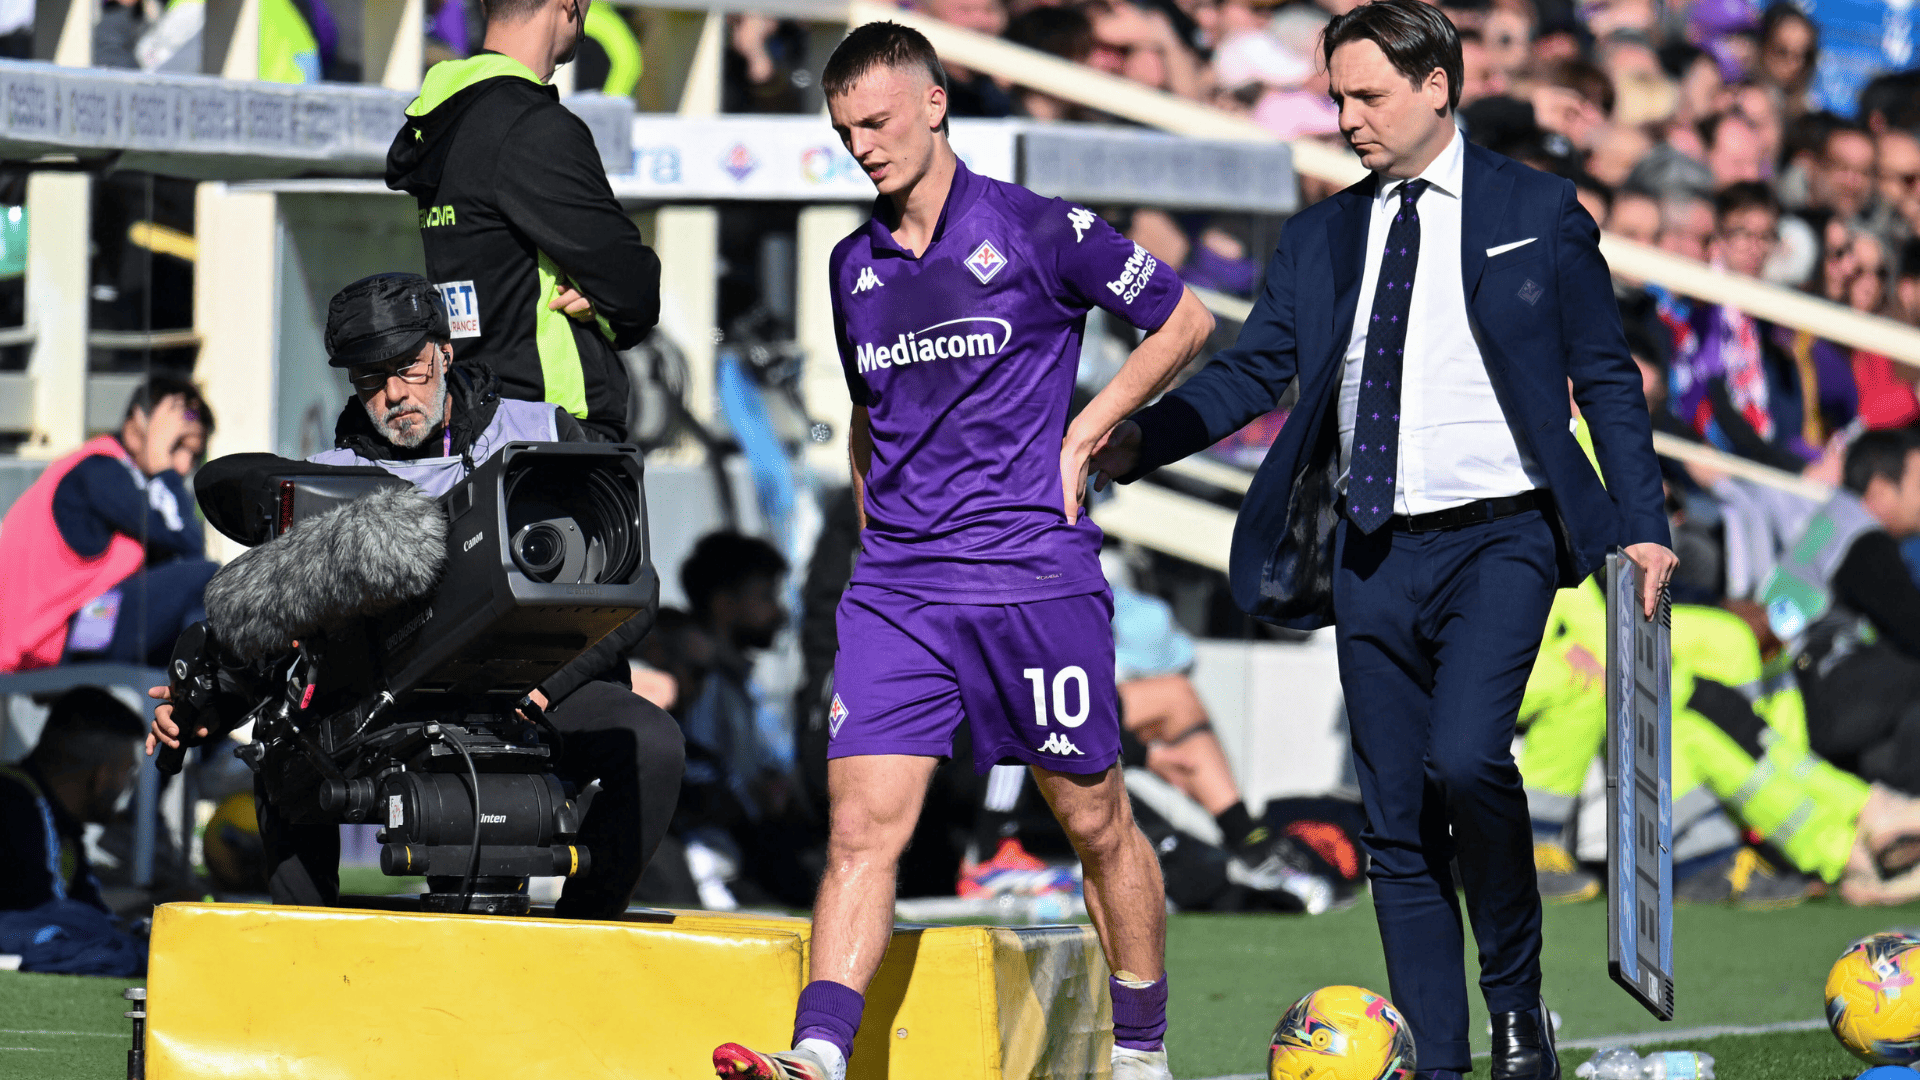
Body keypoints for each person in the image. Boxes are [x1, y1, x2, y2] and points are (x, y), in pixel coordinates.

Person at [1090, 3, 1674, 1078]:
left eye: (1368, 95)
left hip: (1503, 537)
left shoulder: (1538, 209)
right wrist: (1134, 442)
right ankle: (1439, 1061)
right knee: (1397, 823)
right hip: (1368, 552)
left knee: (1468, 759)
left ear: (1437, 86)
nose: (1347, 117)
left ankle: (1518, 1006)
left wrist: (1642, 528)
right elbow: (1251, 372)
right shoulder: (1319, 236)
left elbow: (1605, 376)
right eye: (1337, 97)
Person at [710, 22, 1214, 1080]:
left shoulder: (1040, 229)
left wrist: (1090, 432)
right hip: (898, 593)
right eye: (845, 132)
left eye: (878, 122)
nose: (863, 147)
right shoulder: (852, 264)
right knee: (860, 830)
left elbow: (1184, 321)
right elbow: (869, 416)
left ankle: (1142, 1056)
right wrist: (875, 540)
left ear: (935, 104)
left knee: (1094, 822)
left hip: (1033, 580)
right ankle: (819, 1052)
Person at [146, 273, 683, 919]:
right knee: (286, 755)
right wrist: (207, 704)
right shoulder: (328, 481)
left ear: (445, 352)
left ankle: (585, 932)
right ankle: (306, 950)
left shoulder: (542, 431)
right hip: (390, 704)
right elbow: (278, 629)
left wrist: (549, 684)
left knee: (651, 741)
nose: (395, 393)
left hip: (538, 685)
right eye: (371, 379)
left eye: (410, 368)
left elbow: (633, 588)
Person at [385, 0, 661, 442]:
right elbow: (635, 292)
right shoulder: (531, 125)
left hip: (473, 420)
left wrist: (601, 291)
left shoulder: (445, 116)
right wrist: (602, 297)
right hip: (553, 431)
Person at [0, 375, 216, 672]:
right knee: (207, 578)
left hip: (71, 631)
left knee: (191, 622)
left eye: (194, 455)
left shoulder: (102, 469)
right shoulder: (102, 470)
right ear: (139, 421)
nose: (183, 466)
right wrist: (162, 467)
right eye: (175, 444)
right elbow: (190, 546)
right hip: (53, 640)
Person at [1762, 429, 1920, 794]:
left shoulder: (1833, 520)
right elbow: (1913, 626)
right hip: (1811, 692)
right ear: (1880, 490)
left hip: (1790, 685)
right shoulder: (1863, 542)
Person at [674, 530, 817, 909]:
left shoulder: (736, 679)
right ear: (724, 605)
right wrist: (753, 800)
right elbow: (696, 782)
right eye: (766, 596)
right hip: (713, 867)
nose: (779, 612)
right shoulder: (698, 681)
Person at [0, 687, 144, 914]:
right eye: (128, 771)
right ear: (102, 776)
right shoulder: (18, 811)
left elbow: (90, 914)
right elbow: (50, 921)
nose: (129, 784)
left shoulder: (59, 823)